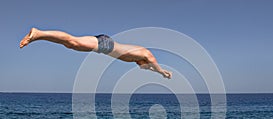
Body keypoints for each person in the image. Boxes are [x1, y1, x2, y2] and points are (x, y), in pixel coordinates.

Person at [20, 28, 172, 79]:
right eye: (144, 66)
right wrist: (162, 73)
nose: (142, 67)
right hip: (106, 44)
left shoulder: (137, 58)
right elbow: (152, 61)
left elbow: (149, 65)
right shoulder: (145, 53)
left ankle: (39, 37)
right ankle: (38, 33)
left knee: (70, 45)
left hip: (104, 45)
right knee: (73, 42)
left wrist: (156, 70)